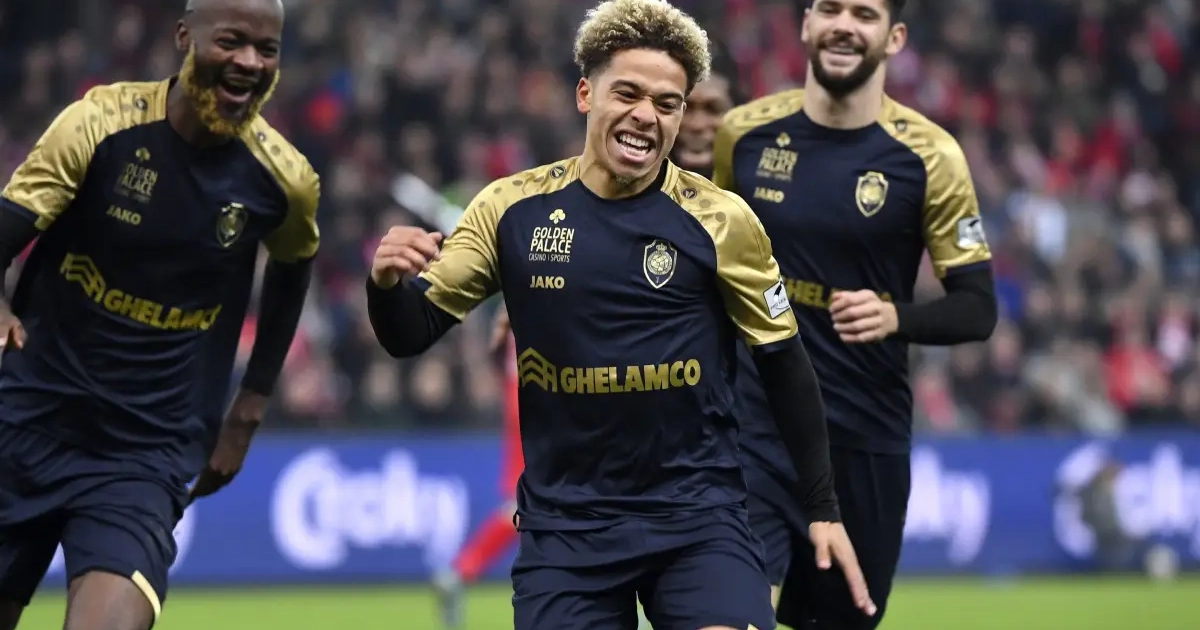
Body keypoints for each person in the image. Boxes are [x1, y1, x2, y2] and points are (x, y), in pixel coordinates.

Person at [365, 1, 875, 628]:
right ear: (586, 94)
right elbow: (409, 332)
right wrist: (385, 285)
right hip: (567, 531)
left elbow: (785, 366)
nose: (645, 115)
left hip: (697, 520)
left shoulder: (722, 221)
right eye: (627, 93)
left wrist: (822, 508)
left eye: (667, 103)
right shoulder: (510, 209)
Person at [0, 0, 317, 628]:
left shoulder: (284, 180)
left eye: (267, 50)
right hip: (26, 423)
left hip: (144, 454)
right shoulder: (97, 125)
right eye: (231, 41)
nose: (250, 62)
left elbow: (293, 267)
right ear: (184, 36)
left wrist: (249, 407)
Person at [712, 0, 998, 628]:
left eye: (864, 13)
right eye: (830, 8)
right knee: (730, 613)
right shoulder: (744, 134)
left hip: (862, 435)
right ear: (806, 24)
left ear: (894, 37)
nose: (844, 24)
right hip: (754, 429)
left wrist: (896, 317)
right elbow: (702, 259)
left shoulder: (931, 157)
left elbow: (978, 309)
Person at [431, 306, 522, 628]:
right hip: (546, 394)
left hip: (525, 391)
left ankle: (459, 572)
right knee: (533, 505)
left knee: (526, 506)